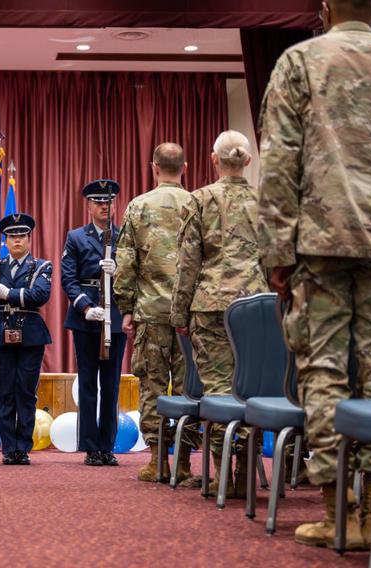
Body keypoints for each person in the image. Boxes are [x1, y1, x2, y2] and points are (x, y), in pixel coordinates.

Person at [257, 0, 371, 549]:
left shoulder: (300, 61)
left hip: (320, 246)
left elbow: (279, 166)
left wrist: (277, 256)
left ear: (324, 8)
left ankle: (341, 512)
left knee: (325, 373)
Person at [169, 130, 268, 498]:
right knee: (253, 390)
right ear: (248, 161)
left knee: (219, 390)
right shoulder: (265, 202)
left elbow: (187, 263)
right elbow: (276, 259)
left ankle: (223, 469)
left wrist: (178, 312)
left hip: (210, 306)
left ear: (214, 161)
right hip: (258, 307)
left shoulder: (200, 199)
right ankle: (245, 469)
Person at [114, 143, 201, 486]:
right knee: (188, 388)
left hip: (150, 310)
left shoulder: (138, 206)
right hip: (190, 315)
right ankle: (182, 465)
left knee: (152, 386)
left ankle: (156, 461)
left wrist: (126, 308)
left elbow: (125, 263)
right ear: (185, 166)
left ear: (153, 167)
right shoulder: (197, 204)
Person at [61, 180, 126, 466]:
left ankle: (107, 446)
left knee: (111, 384)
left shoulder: (124, 237)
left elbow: (135, 277)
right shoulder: (76, 237)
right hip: (86, 318)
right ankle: (90, 447)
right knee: (88, 383)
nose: (104, 206)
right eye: (98, 202)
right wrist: (85, 307)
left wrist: (120, 270)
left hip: (115, 318)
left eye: (108, 202)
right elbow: (68, 278)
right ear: (88, 206)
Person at [0, 213, 51, 466]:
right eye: (12, 236)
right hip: (1, 332)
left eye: (22, 236)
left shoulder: (41, 266)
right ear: (5, 240)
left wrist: (9, 293)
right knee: (3, 392)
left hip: (30, 333)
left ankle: (22, 448)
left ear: (29, 239)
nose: (17, 241)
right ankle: (7, 448)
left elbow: (40, 294)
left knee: (25, 391)